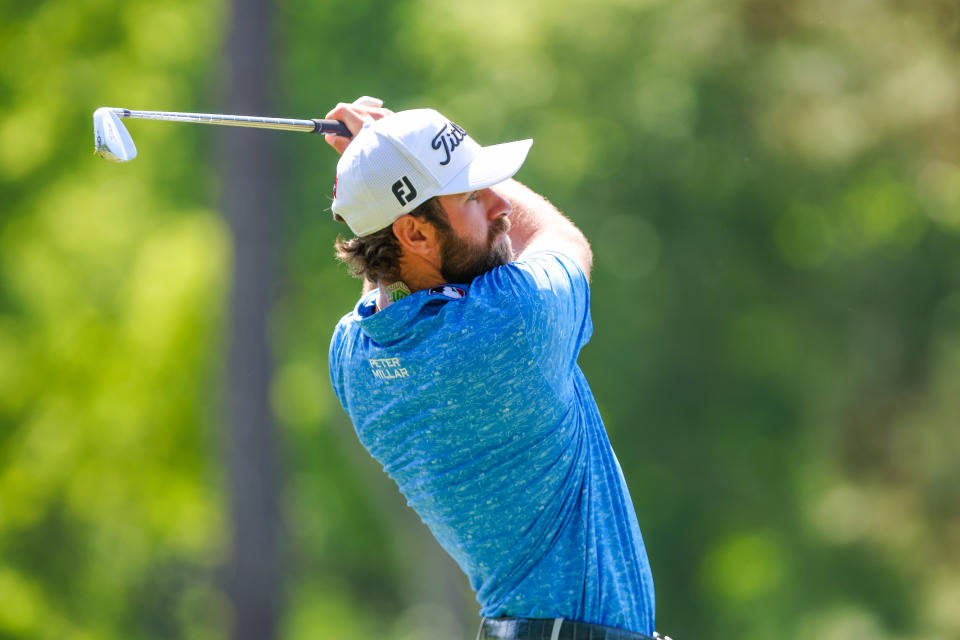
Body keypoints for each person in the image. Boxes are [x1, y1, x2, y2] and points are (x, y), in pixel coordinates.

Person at [324, 97, 665, 640]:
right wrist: (378, 149)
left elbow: (384, 267)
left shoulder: (353, 360)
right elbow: (561, 239)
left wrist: (376, 166)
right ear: (413, 233)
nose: (502, 203)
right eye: (473, 194)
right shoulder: (510, 320)